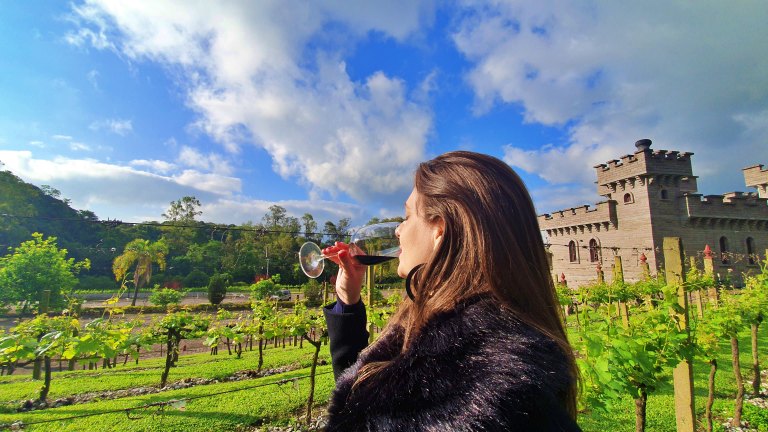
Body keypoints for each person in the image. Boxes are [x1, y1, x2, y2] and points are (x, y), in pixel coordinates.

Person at [322, 151, 581, 431]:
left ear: (440, 229)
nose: (398, 230)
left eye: (407, 216)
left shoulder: (484, 384)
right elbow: (364, 397)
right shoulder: (477, 345)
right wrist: (348, 301)